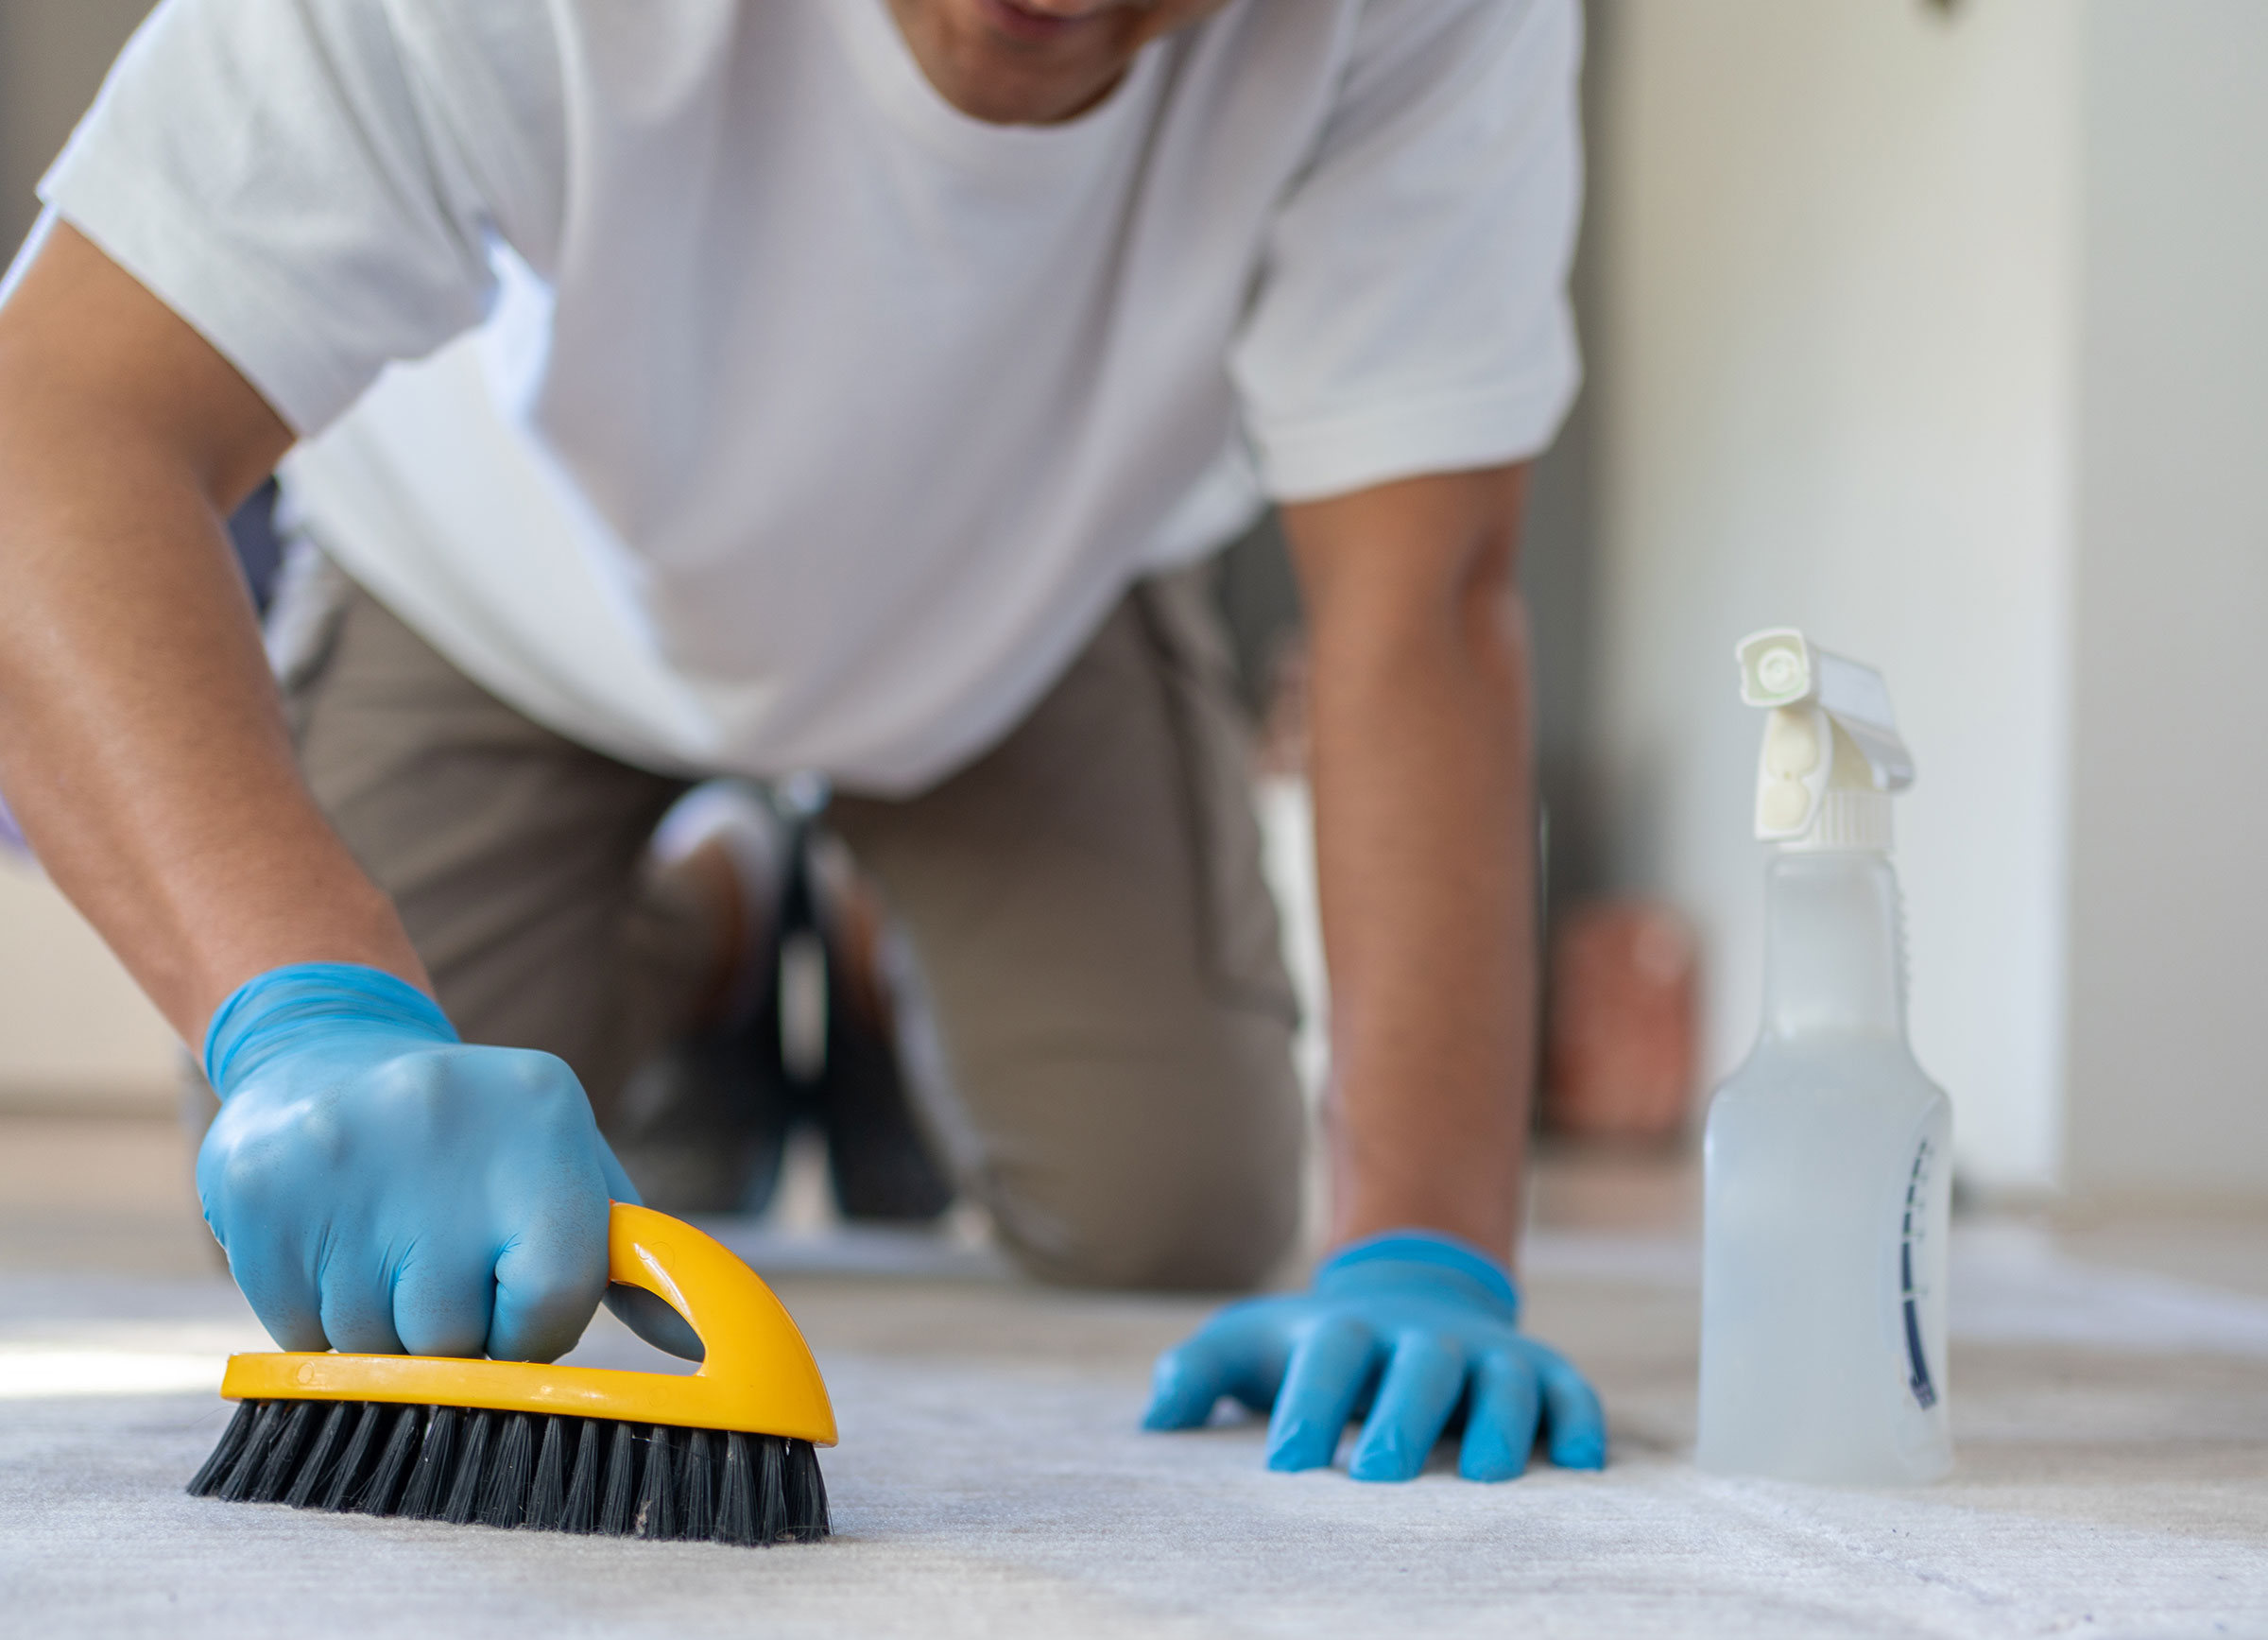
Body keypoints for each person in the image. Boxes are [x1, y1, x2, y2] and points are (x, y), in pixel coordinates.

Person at [0, 0, 1605, 1483]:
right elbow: (46, 434)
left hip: (1021, 607)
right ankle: (715, 926)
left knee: (1170, 1210)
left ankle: (859, 925)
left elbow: (1428, 597)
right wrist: (309, 1022)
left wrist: (1424, 1245)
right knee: (355, 1227)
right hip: (496, 586)